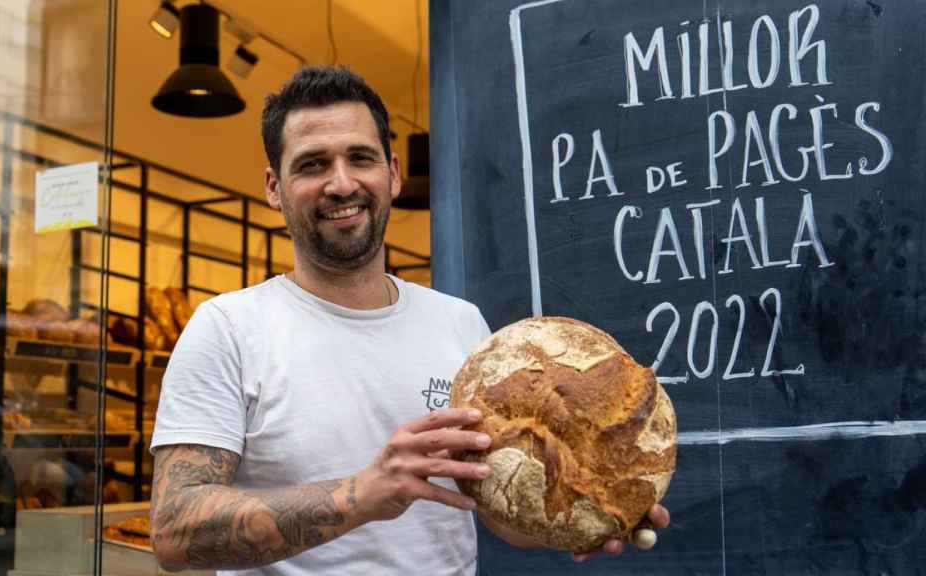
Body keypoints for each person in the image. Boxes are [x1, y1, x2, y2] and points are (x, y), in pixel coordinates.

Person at [149, 66, 670, 575]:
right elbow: (174, 531)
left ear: (393, 173)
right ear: (273, 187)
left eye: (360, 158)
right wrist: (364, 492)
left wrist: (584, 517)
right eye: (311, 165)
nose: (341, 182)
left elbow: (491, 507)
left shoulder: (461, 325)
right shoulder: (228, 328)